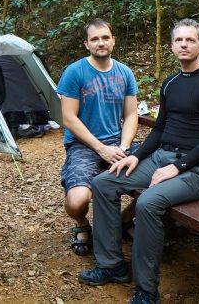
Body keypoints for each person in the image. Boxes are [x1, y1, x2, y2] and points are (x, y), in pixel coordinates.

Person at [78, 18, 199, 304]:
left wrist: (177, 167)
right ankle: (112, 266)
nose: (184, 45)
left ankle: (147, 291)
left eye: (190, 40)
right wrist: (135, 156)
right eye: (179, 40)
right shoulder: (170, 82)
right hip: (161, 157)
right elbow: (159, 130)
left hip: (196, 169)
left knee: (148, 203)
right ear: (172, 46)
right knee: (104, 182)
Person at [57, 18, 139, 256]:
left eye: (105, 38)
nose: (100, 43)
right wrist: (101, 148)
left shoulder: (125, 73)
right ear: (86, 44)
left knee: (162, 177)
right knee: (76, 201)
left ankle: (125, 219)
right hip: (83, 145)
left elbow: (131, 114)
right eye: (95, 39)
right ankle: (82, 225)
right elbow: (69, 118)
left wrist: (123, 146)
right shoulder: (75, 72)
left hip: (118, 143)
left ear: (113, 41)